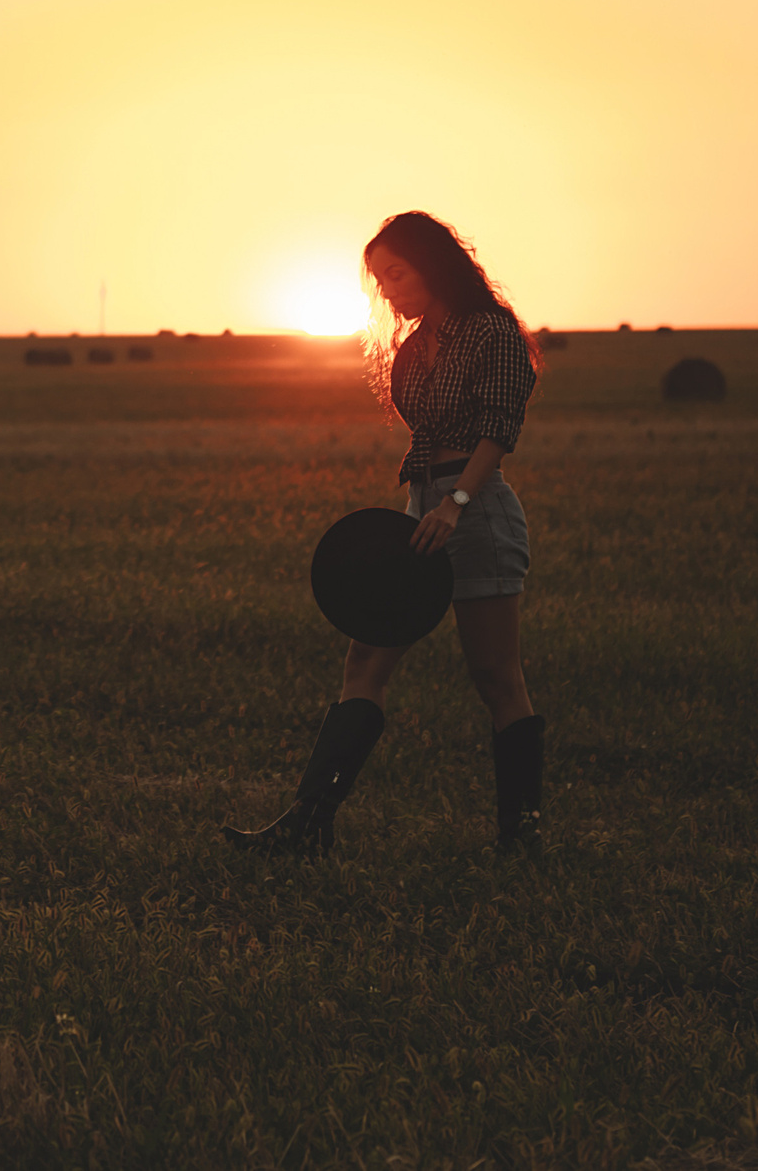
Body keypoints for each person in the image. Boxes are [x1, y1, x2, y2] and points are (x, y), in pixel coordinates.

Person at [226, 210, 546, 857]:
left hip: (475, 513)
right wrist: (428, 504)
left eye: (397, 273)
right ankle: (307, 825)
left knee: (496, 676)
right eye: (380, 279)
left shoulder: (492, 334)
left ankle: (522, 838)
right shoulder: (413, 342)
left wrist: (455, 503)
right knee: (366, 659)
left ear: (435, 263)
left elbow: (498, 434)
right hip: (420, 509)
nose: (389, 290)